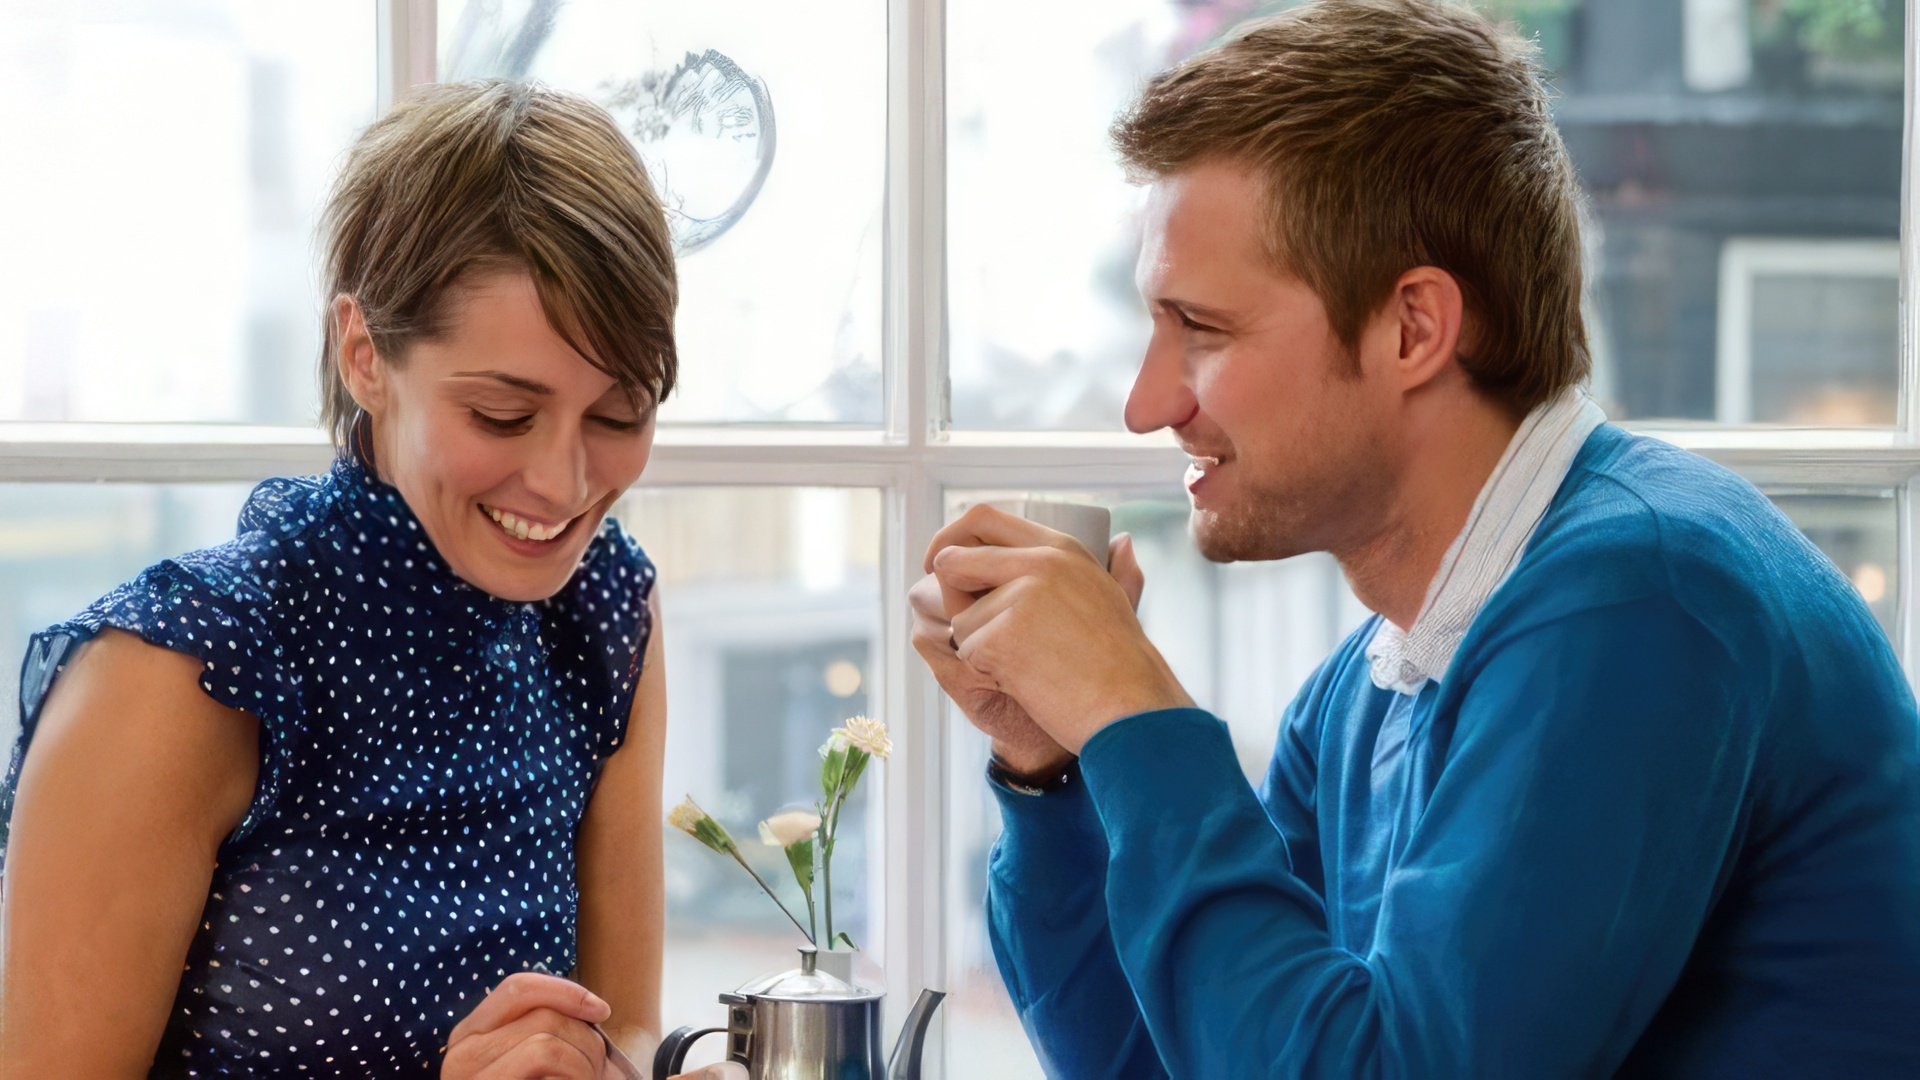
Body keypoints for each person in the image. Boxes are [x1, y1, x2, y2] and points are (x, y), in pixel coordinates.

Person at [910, 2, 1920, 1076]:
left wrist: (1134, 714)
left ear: (1413, 328)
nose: (1147, 403)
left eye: (1200, 329)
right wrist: (1053, 766)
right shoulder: (1364, 692)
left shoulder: (1640, 601)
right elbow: (1160, 1062)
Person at [0, 80, 728, 1079]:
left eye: (619, 413)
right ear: (363, 354)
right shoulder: (180, 672)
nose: (566, 485)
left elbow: (627, 1031)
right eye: (504, 416)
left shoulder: (600, 613)